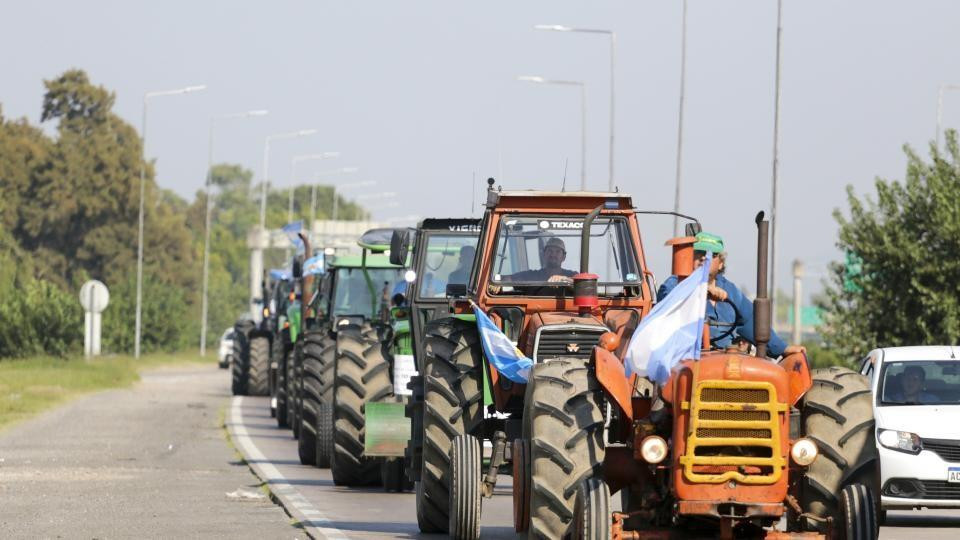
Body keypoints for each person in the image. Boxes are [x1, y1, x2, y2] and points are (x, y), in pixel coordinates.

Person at [657, 232, 802, 359]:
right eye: (699, 253)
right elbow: (669, 303)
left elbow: (751, 320)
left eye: (711, 255)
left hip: (726, 359)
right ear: (690, 258)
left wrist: (782, 349)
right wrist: (702, 290)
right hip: (687, 359)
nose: (703, 258)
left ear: (720, 263)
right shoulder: (675, 284)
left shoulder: (730, 290)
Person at [509, 237, 576, 283]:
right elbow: (509, 279)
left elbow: (583, 285)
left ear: (563, 257)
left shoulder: (572, 275)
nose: (553, 254)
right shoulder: (532, 276)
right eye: (550, 251)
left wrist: (564, 279)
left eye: (557, 251)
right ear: (544, 254)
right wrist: (499, 282)